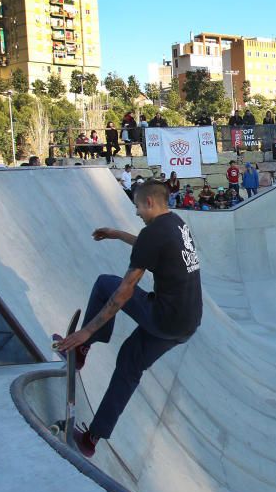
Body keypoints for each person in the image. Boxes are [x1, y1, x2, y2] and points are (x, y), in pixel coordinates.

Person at [53, 181, 202, 457]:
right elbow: (151, 246)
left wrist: (86, 332)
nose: (136, 213)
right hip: (187, 324)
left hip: (163, 318)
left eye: (136, 206)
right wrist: (118, 234)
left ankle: (84, 348)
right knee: (128, 366)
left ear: (149, 203)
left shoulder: (154, 232)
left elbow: (124, 291)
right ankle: (91, 439)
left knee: (105, 284)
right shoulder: (177, 225)